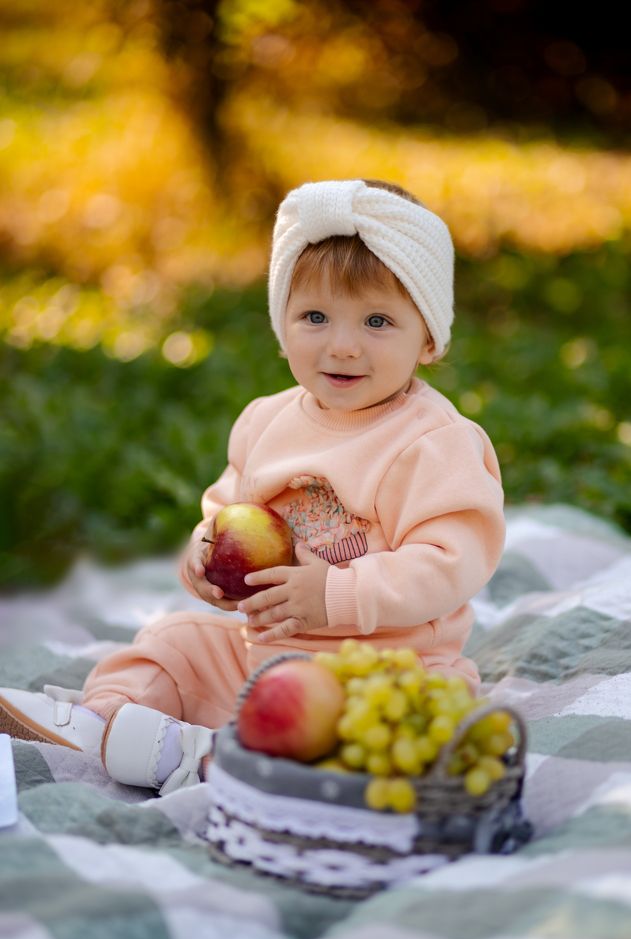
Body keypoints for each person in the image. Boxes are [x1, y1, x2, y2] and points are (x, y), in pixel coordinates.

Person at [0, 178, 505, 795]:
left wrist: (336, 597)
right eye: (314, 316)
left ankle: (227, 759)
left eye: (377, 321)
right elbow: (226, 509)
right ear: (281, 324)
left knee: (421, 720)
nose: (342, 345)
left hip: (383, 660)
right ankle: (110, 719)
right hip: (259, 649)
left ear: (427, 338)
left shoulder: (436, 443)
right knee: (173, 641)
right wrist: (204, 557)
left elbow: (450, 562)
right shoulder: (268, 420)